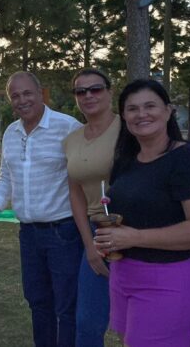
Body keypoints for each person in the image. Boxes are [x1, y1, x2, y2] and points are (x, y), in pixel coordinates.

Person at [94, 79, 190, 347]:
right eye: (132, 109)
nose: (141, 114)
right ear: (124, 117)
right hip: (123, 276)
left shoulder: (187, 160)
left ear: (168, 111)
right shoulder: (127, 161)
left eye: (150, 106)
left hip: (167, 281)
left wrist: (134, 237)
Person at [0, 71, 83, 347]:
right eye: (15, 96)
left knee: (67, 307)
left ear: (40, 93)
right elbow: (7, 178)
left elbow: (88, 174)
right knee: (38, 302)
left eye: (27, 93)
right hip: (29, 236)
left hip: (64, 234)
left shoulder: (68, 127)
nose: (22, 100)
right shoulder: (11, 132)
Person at [63, 69, 119, 347]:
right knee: (87, 323)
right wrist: (89, 245)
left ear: (110, 92)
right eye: (80, 91)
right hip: (98, 235)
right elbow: (76, 194)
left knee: (133, 322)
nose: (88, 95)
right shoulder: (72, 140)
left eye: (95, 89)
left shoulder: (128, 130)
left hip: (135, 233)